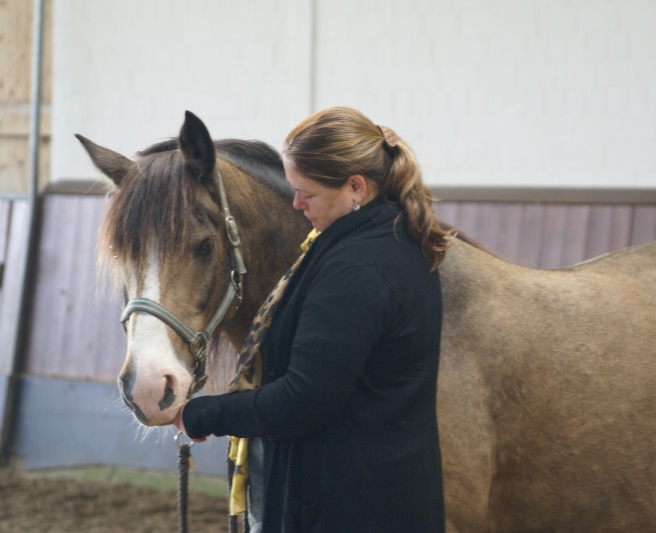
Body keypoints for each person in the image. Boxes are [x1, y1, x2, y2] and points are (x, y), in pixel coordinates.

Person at [174, 106, 453, 532]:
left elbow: (304, 400)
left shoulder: (356, 270)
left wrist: (204, 414)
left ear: (355, 187)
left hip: (347, 505)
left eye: (309, 193)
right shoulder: (389, 239)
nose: (296, 203)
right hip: (382, 492)